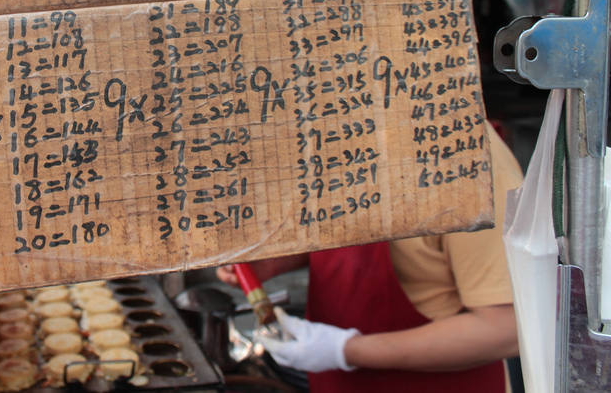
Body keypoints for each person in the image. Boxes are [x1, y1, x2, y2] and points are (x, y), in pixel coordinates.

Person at [217, 122, 522, 392]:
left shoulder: (468, 156)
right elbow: (357, 236)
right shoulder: (342, 128)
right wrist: (281, 259)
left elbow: (503, 329)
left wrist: (346, 350)